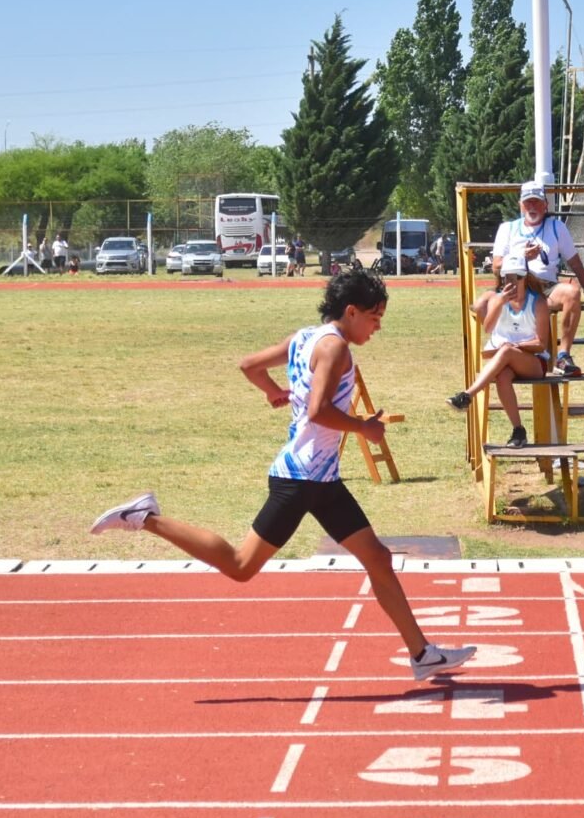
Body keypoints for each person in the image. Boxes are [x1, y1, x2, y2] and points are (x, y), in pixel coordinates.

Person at [89, 267, 476, 682]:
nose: (378, 328)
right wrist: (364, 427)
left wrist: (273, 390)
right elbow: (318, 411)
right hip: (302, 479)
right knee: (240, 566)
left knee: (378, 559)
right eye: (375, 318)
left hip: (321, 480)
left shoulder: (303, 337)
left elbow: (248, 366)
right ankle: (145, 517)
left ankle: (422, 654)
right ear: (351, 311)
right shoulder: (335, 349)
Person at [491, 181, 584, 378]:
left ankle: (563, 355)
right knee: (487, 303)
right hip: (517, 288)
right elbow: (496, 266)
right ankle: (507, 352)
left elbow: (576, 265)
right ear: (520, 205)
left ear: (545, 205)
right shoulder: (507, 229)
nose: (532, 207)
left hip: (546, 287)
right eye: (528, 203)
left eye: (536, 202)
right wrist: (521, 256)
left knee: (572, 292)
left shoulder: (556, 227)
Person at [446, 255, 549, 448]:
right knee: (502, 377)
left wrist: (515, 347)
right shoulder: (498, 299)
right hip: (506, 361)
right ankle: (518, 430)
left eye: (517, 277)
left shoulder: (538, 302)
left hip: (534, 362)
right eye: (507, 278)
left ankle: (467, 395)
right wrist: (500, 303)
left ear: (525, 277)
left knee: (506, 350)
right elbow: (488, 328)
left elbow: (541, 344)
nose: (512, 282)